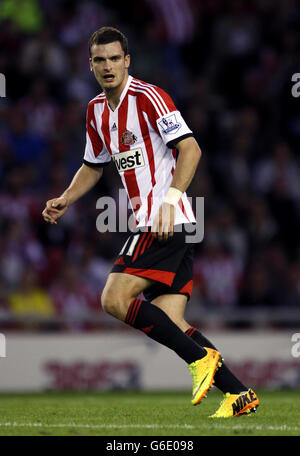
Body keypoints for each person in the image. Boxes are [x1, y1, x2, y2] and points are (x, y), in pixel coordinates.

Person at [42, 26, 259, 417]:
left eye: (115, 58)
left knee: (113, 298)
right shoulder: (95, 110)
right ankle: (238, 393)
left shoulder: (148, 97)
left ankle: (199, 361)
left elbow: (191, 149)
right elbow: (93, 166)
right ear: (90, 65)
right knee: (171, 321)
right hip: (165, 223)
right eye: (100, 60)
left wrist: (170, 202)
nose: (108, 66)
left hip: (164, 220)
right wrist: (66, 198)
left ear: (127, 61)